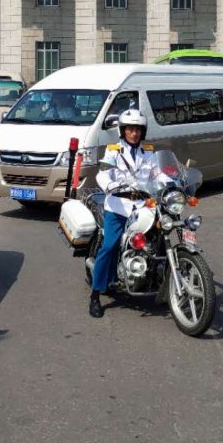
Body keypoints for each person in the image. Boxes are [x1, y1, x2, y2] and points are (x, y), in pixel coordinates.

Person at [89, 108, 158, 319]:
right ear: (123, 130)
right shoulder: (113, 150)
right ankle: (95, 294)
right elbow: (103, 173)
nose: (134, 133)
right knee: (110, 246)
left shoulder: (149, 152)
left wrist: (172, 183)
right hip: (118, 206)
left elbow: (158, 174)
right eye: (130, 129)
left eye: (137, 129)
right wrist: (109, 185)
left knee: (159, 236)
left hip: (143, 205)